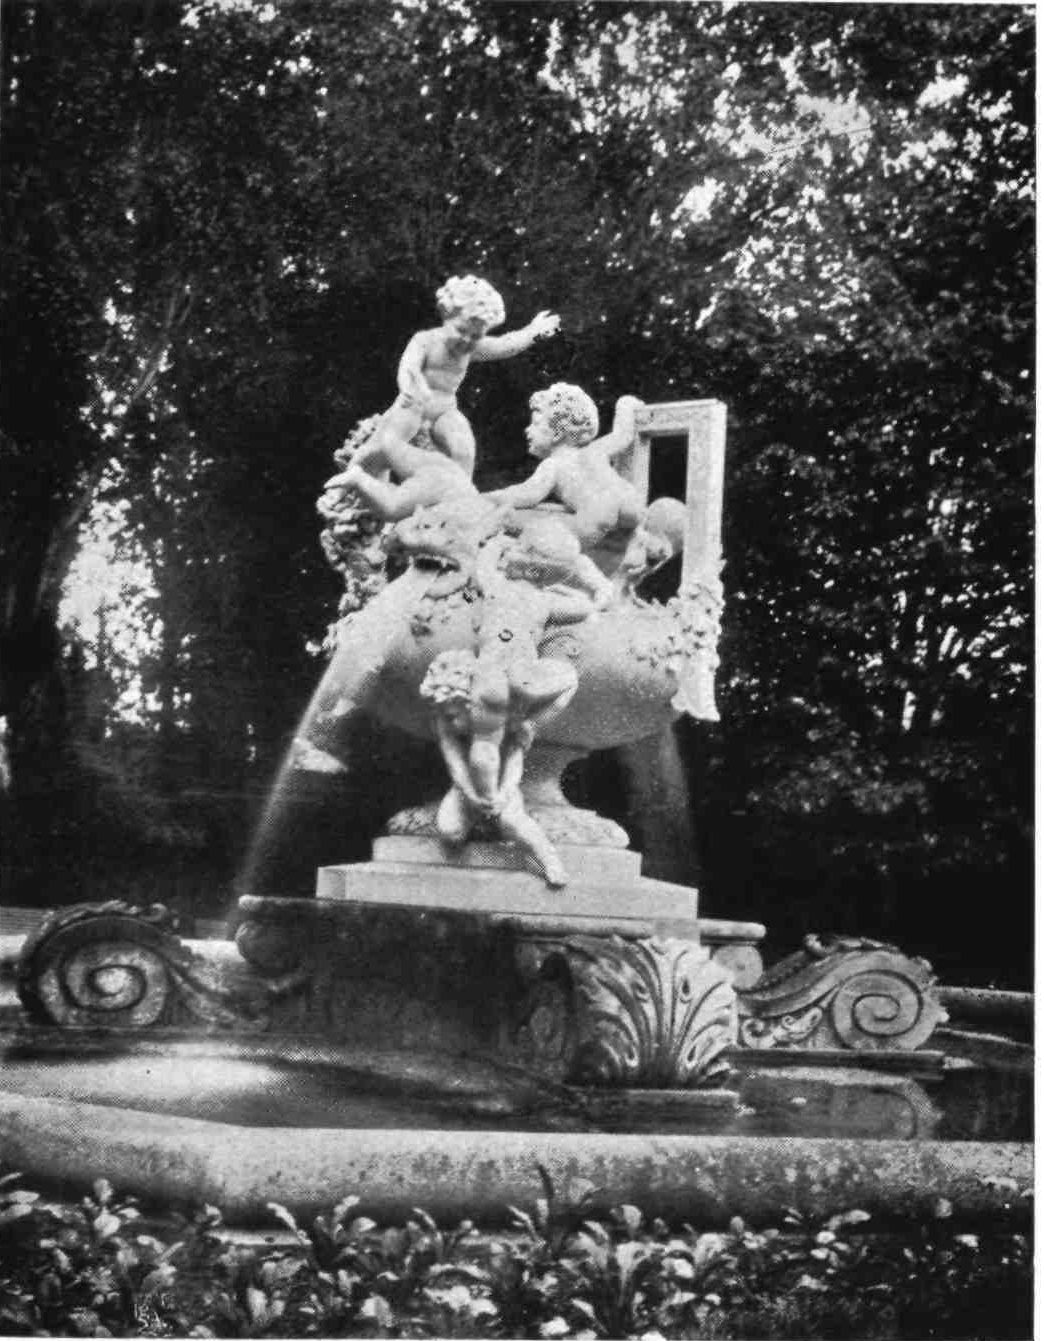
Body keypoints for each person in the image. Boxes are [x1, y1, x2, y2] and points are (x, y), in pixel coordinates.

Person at [338, 275, 559, 485]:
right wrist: (410, 387)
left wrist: (534, 330)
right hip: (412, 405)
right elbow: (408, 366)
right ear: (446, 315)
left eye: (476, 336)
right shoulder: (426, 341)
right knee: (383, 447)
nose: (466, 340)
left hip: (444, 410)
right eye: (461, 330)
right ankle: (354, 480)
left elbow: (506, 345)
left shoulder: (472, 349)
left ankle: (459, 494)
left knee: (463, 447)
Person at [488, 384, 645, 546]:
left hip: (597, 509)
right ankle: (645, 539)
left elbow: (528, 494)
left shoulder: (553, 464)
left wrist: (490, 498)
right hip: (630, 500)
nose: (527, 430)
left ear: (557, 432)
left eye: (535, 423)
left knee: (560, 540)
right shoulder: (596, 449)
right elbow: (622, 435)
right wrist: (626, 404)